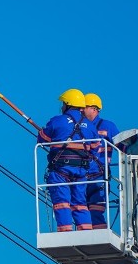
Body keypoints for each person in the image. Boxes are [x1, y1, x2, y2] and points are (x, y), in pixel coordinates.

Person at [37, 89, 98, 232]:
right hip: (81, 171)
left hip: (60, 170)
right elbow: (95, 147)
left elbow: (42, 139)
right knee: (80, 203)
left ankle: (66, 232)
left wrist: (42, 131)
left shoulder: (57, 121)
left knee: (62, 202)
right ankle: (86, 232)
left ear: (67, 104)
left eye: (63, 103)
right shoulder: (90, 125)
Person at [83, 93, 120, 230]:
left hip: (98, 178)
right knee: (81, 211)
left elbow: (122, 146)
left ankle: (99, 235)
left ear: (94, 108)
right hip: (81, 177)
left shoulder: (107, 126)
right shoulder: (80, 127)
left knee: (96, 211)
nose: (81, 110)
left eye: (85, 107)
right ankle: (86, 237)